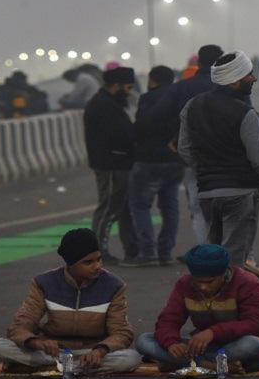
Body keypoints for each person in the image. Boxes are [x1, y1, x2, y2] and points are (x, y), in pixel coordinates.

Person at [0, 228, 142, 374]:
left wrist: (101, 350)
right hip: (53, 352)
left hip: (90, 352)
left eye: (99, 259)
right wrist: (36, 342)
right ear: (71, 264)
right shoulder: (44, 283)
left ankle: (55, 368)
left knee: (130, 358)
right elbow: (19, 327)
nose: (98, 266)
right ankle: (67, 367)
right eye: (88, 262)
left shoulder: (113, 286)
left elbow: (122, 332)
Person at [178, 50, 259, 280]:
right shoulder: (246, 113)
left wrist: (206, 170)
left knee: (213, 255)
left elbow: (184, 149)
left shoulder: (192, 106)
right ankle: (229, 305)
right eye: (249, 75)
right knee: (234, 260)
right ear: (235, 80)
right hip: (240, 193)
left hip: (208, 192)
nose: (254, 78)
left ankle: (211, 302)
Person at [134, 243, 259, 373]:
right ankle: (213, 366)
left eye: (209, 282)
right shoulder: (185, 283)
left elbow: (255, 323)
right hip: (205, 347)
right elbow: (169, 319)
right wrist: (171, 344)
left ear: (223, 274)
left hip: (238, 347)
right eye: (198, 281)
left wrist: (213, 332)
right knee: (144, 340)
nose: (203, 287)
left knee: (252, 344)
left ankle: (185, 364)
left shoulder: (247, 283)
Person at [147, 44, 223, 248]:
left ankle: (207, 255)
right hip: (227, 158)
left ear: (198, 62)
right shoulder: (231, 86)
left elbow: (155, 116)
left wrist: (176, 134)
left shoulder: (183, 87)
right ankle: (233, 256)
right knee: (227, 208)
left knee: (197, 208)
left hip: (194, 156)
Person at [123, 65, 183, 267]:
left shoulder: (148, 99)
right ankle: (166, 252)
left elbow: (141, 127)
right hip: (175, 159)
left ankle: (148, 252)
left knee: (140, 205)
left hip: (148, 160)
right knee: (170, 205)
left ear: (152, 80)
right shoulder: (180, 98)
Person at [84, 65, 138, 263]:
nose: (130, 92)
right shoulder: (104, 106)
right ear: (116, 85)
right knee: (108, 208)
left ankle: (132, 249)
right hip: (110, 164)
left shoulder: (111, 103)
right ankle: (97, 252)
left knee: (122, 208)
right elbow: (121, 134)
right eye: (128, 87)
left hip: (118, 163)